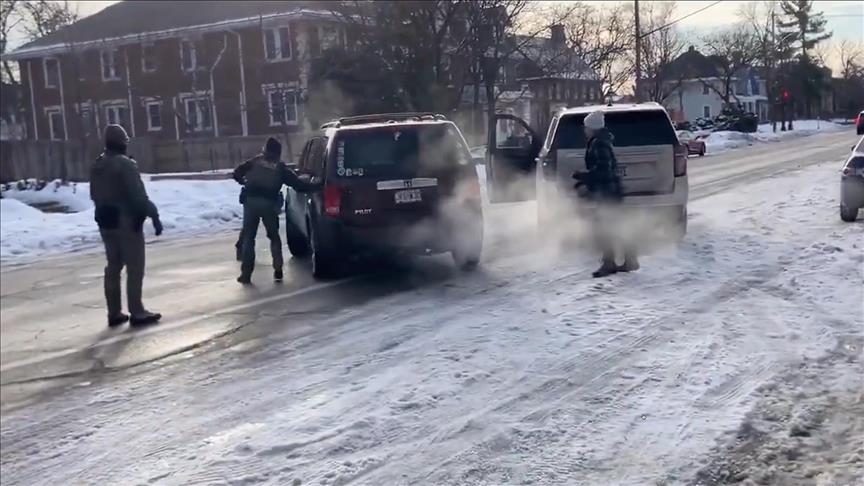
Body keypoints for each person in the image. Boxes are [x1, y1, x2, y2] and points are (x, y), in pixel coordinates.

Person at [90, 124, 162, 326]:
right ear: (123, 143)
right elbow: (138, 196)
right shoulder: (125, 164)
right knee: (135, 266)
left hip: (105, 220)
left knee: (113, 266)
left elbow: (94, 194)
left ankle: (114, 312)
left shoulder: (98, 165)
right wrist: (153, 215)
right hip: (126, 220)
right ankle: (137, 311)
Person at [233, 137, 319, 284]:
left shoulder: (254, 162)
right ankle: (278, 270)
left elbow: (237, 173)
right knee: (274, 237)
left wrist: (244, 182)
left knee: (248, 238)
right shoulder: (280, 168)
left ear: (265, 149)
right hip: (269, 204)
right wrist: (316, 186)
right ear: (278, 152)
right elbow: (297, 184)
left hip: (251, 202)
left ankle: (246, 274)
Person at [572, 110, 639, 278]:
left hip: (607, 193)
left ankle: (612, 263)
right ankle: (628, 260)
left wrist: (584, 177)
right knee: (612, 227)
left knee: (606, 228)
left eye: (586, 127)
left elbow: (604, 171)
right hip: (608, 191)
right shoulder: (600, 141)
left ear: (593, 128)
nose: (584, 130)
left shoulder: (599, 144)